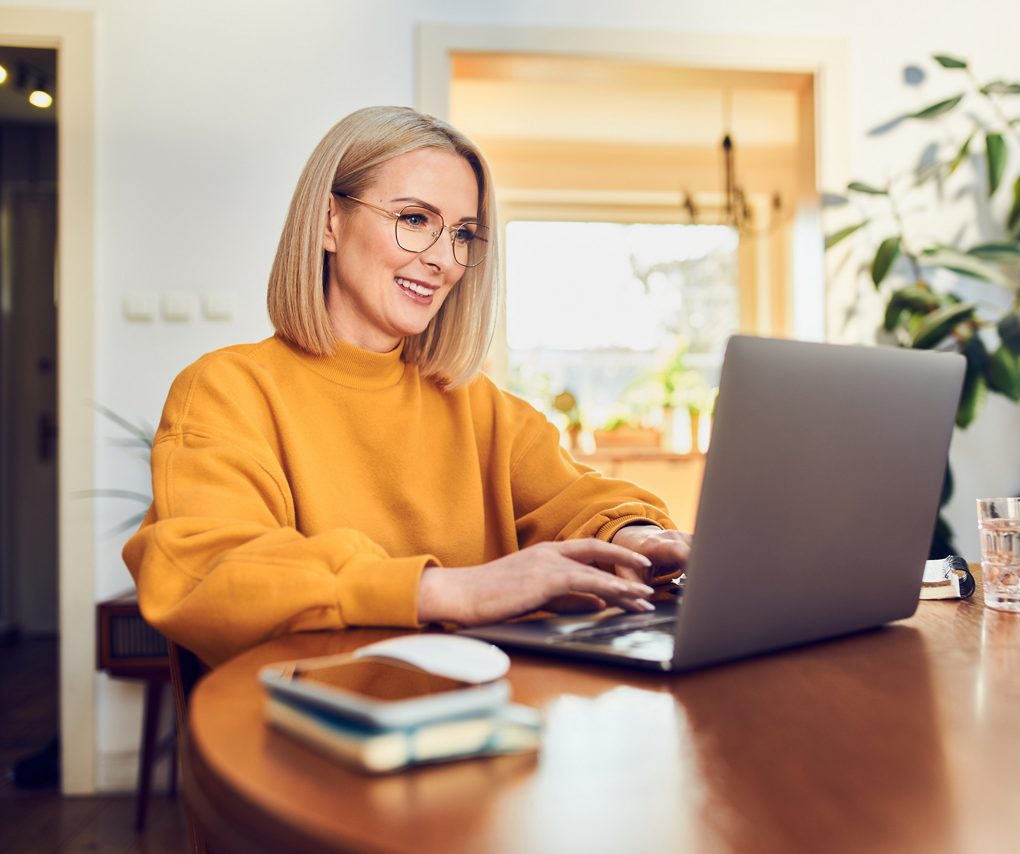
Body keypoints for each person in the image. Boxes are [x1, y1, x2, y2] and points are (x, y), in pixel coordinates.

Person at [124, 106, 691, 666]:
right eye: (415, 219)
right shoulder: (228, 390)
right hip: (308, 732)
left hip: (483, 724)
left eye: (462, 233)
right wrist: (449, 591)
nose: (443, 260)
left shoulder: (474, 403)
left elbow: (580, 498)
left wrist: (636, 536)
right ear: (329, 222)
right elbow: (208, 570)